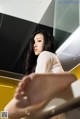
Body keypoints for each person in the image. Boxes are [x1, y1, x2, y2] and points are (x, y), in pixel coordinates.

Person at [4, 29, 77, 119]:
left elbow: (38, 87)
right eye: (34, 42)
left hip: (49, 100)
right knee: (8, 113)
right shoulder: (52, 59)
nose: (34, 44)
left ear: (46, 43)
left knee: (6, 111)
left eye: (39, 41)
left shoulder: (45, 54)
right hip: (56, 104)